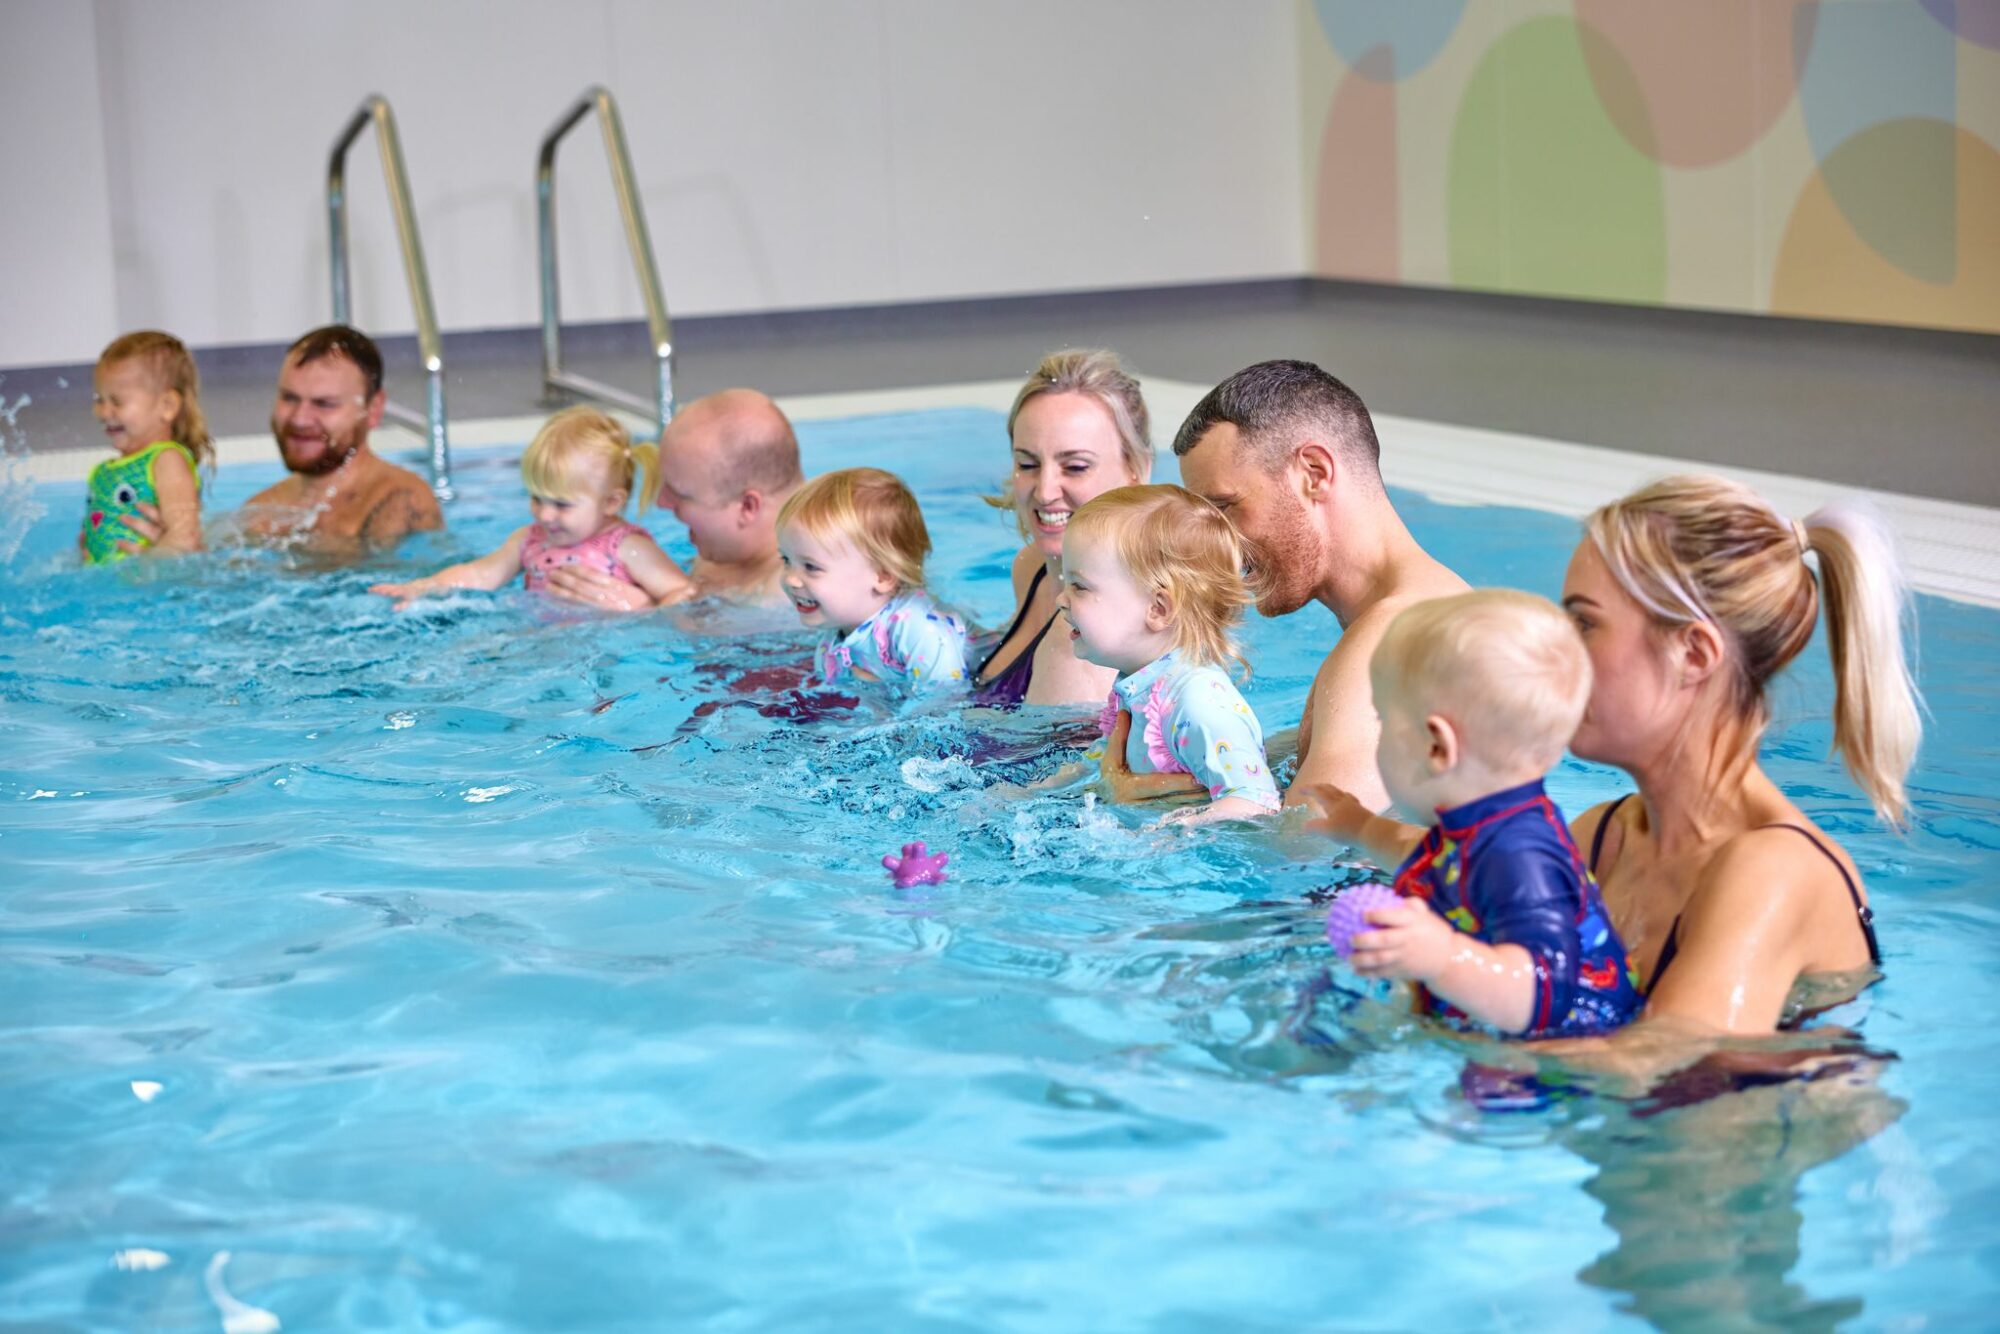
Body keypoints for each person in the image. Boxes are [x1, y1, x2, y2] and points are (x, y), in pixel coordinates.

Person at [1555, 475, 1918, 1037]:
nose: (1554, 650)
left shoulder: (1776, 870)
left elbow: (1649, 1066)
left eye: (1584, 622)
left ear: (1694, 654)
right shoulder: (1605, 838)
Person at [1317, 590, 1641, 1037]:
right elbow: (1428, 858)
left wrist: (1442, 956)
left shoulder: (1520, 853)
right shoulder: (1480, 825)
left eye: (1384, 722)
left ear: (1436, 746)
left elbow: (1545, 991)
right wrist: (1359, 826)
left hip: (1559, 1059)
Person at [1165, 359, 1466, 809]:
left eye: (1226, 508)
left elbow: (1301, 856)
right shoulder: (1419, 613)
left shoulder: (1389, 647)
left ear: (1314, 473)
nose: (1216, 545)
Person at [1058, 484, 1280, 824]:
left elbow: (1257, 803)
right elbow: (1102, 763)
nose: (1061, 599)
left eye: (1079, 586)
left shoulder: (1196, 702)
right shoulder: (1141, 683)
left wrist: (1168, 831)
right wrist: (1034, 792)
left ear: (1158, 608)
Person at [368, 406, 694, 610]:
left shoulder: (626, 547)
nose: (544, 514)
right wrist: (424, 587)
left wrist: (641, 609)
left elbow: (682, 593)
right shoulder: (530, 539)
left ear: (611, 502)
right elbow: (481, 573)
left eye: (562, 504)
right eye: (537, 497)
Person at [972, 349, 1153, 708]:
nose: (1044, 490)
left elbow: (1065, 764)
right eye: (1028, 463)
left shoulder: (1087, 640)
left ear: (1137, 471)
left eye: (1075, 467)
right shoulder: (1033, 567)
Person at [545, 388, 804, 610]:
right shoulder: (725, 549)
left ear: (747, 507)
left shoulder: (791, 596)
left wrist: (644, 614)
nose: (661, 502)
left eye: (680, 494)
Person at [229, 326, 443, 554]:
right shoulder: (259, 512)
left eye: (324, 404)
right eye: (289, 398)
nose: (300, 420)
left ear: (373, 409)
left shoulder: (400, 501)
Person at [776, 467, 969, 692]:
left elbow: (947, 704)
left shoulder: (919, 631)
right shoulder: (832, 640)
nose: (791, 579)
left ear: (883, 575)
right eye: (786, 559)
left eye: (811, 567)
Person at [80, 331, 212, 562]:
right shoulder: (104, 471)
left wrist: (145, 568)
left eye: (117, 402)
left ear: (167, 406)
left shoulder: (167, 461)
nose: (102, 412)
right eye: (99, 400)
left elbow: (185, 538)